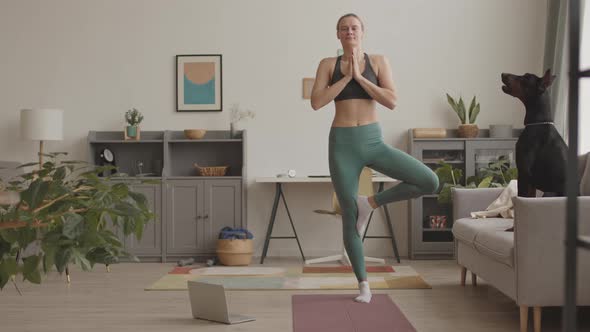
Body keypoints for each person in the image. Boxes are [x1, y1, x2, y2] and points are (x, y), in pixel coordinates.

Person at [310, 13, 439, 303]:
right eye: (344, 28)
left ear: (362, 32)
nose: (349, 32)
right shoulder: (327, 65)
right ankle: (364, 285)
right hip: (342, 144)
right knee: (349, 216)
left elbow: (391, 100)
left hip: (373, 141)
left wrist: (359, 77)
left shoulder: (378, 61)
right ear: (338, 34)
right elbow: (317, 102)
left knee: (429, 181)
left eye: (354, 27)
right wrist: (346, 77)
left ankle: (370, 203)